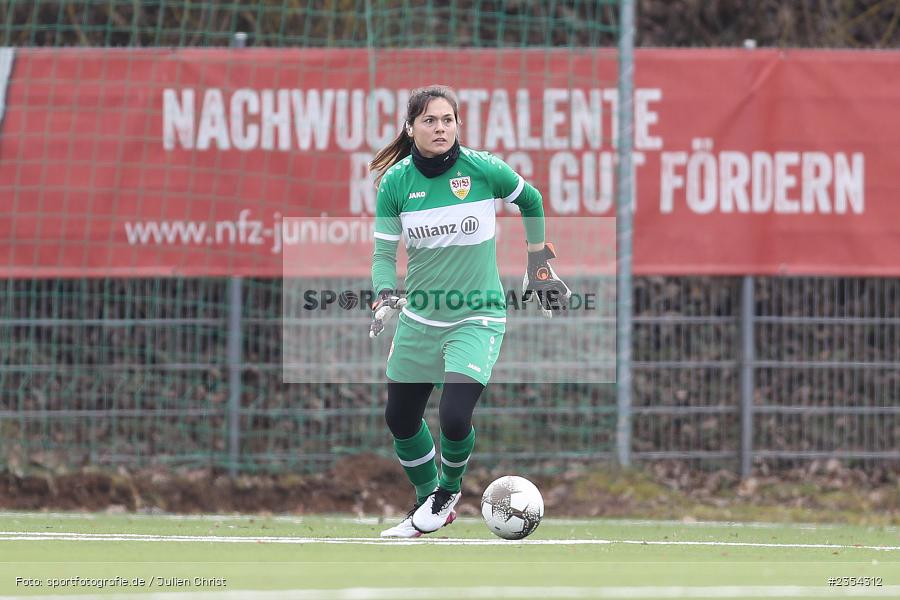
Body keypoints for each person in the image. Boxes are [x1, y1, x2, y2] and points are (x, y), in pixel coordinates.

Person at [368, 85, 571, 538]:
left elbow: (532, 200)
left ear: (458, 124)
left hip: (477, 316)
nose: (440, 128)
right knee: (400, 418)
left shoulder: (482, 169)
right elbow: (383, 253)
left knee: (455, 417)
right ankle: (428, 501)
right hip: (421, 318)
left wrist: (538, 264)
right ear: (410, 128)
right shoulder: (396, 183)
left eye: (448, 120)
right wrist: (383, 294)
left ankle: (447, 492)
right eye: (429, 121)